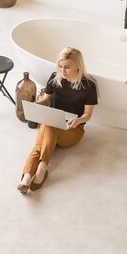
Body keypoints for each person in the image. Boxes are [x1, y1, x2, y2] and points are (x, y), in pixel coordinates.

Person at [17, 47, 97, 194]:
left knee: (46, 131)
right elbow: (46, 99)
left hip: (72, 130)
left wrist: (78, 121)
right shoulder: (55, 78)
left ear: (77, 66)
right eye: (60, 66)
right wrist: (36, 106)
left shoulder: (89, 86)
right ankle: (28, 177)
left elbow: (88, 115)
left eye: (67, 67)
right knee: (44, 134)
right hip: (51, 122)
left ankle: (39, 169)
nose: (62, 71)